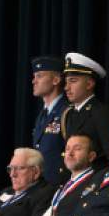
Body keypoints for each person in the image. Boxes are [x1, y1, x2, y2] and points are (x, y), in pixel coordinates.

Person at [61, 52, 109, 168]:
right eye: (66, 82)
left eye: (73, 81)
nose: (66, 87)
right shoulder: (69, 114)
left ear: (89, 84)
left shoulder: (102, 113)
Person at [31, 55, 67, 185]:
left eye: (39, 76)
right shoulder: (43, 113)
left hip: (59, 182)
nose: (34, 81)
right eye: (34, 77)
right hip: (42, 183)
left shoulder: (67, 111)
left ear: (56, 80)